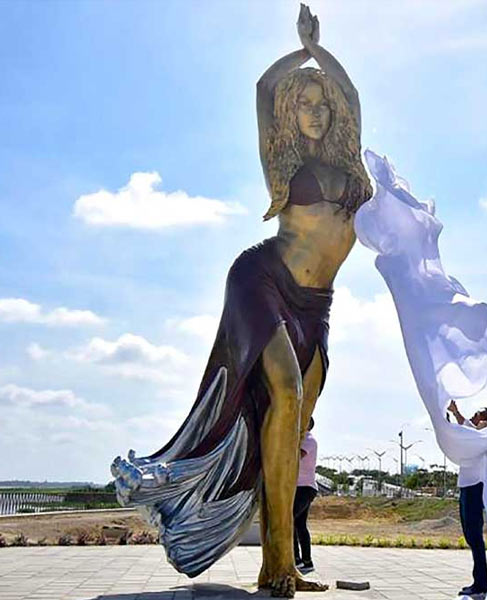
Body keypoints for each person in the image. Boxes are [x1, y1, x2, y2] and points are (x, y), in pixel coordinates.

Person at [110, 5, 370, 597]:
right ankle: (279, 566)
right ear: (290, 111)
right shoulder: (285, 162)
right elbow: (263, 87)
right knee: (285, 391)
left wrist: (324, 57)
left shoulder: (348, 165)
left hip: (316, 304)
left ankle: (277, 563)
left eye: (321, 103)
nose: (315, 110)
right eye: (304, 102)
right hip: (261, 279)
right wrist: (302, 51)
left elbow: (351, 94)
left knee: (293, 423)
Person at [448, 401, 487, 597]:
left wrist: (459, 416)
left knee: (474, 536)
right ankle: (480, 581)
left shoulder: (484, 436)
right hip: (466, 487)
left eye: (477, 414)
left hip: (475, 488)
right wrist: (455, 412)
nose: (473, 415)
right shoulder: (473, 434)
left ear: (485, 420)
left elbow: (470, 427)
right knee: (470, 536)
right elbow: (464, 424)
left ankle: (481, 583)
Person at [294, 417, 319, 572]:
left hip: (305, 487)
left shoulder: (309, 440)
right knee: (300, 525)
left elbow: (296, 456)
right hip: (300, 487)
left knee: (289, 521)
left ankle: (296, 559)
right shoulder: (302, 439)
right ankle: (307, 561)